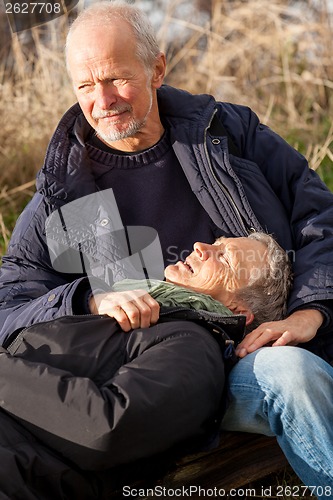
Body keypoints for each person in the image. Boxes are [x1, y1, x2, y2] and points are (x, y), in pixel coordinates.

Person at [0, 0, 332, 495]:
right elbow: (9, 305)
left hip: (254, 346)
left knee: (292, 365)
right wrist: (88, 298)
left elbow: (320, 218)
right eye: (86, 86)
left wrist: (313, 311)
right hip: (152, 378)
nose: (103, 100)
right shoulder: (69, 191)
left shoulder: (221, 134)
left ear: (157, 68)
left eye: (116, 78)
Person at [0, 233, 290, 498]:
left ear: (237, 311)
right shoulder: (138, 311)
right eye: (215, 243)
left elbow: (107, 429)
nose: (201, 247)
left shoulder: (193, 345)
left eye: (224, 257)